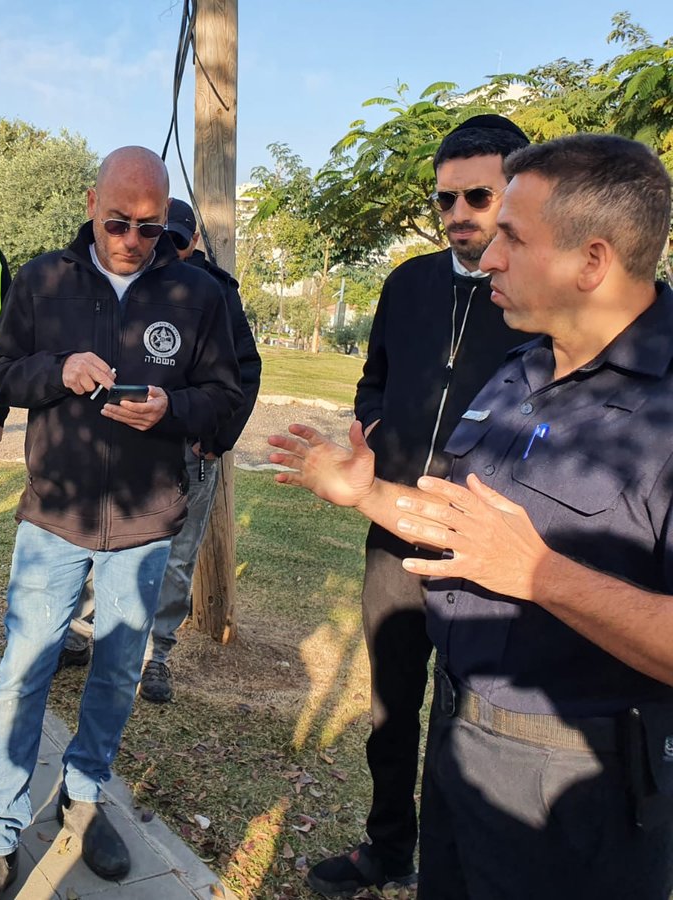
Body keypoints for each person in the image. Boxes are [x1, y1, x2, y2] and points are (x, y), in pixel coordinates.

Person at [270, 133, 673, 899]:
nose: (486, 256)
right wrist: (366, 494)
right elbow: (466, 530)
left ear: (591, 262)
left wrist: (544, 576)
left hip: (577, 790)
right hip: (460, 746)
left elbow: (519, 561)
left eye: (512, 237)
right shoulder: (527, 364)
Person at [0, 146, 243, 899]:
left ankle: (82, 801)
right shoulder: (43, 279)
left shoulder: (197, 294)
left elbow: (227, 398)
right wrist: (58, 370)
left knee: (116, 672)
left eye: (150, 229)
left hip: (147, 525)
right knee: (22, 675)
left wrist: (172, 410)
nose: (131, 240)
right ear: (90, 203)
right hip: (54, 518)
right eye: (118, 221)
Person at [303, 114, 532, 895]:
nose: (460, 213)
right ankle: (388, 846)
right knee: (392, 707)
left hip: (486, 545)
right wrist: (371, 422)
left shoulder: (532, 301)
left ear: (517, 193)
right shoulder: (406, 284)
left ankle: (454, 867)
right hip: (392, 527)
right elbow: (375, 374)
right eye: (446, 199)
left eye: (479, 194)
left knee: (470, 717)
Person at [61, 198, 262, 703]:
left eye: (173, 238)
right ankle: (82, 634)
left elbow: (244, 373)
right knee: (96, 537)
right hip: (122, 447)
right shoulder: (118, 280)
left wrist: (215, 441)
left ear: (193, 241)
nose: (159, 246)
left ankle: (158, 654)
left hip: (190, 450)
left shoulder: (213, 293)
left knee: (175, 556)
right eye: (155, 234)